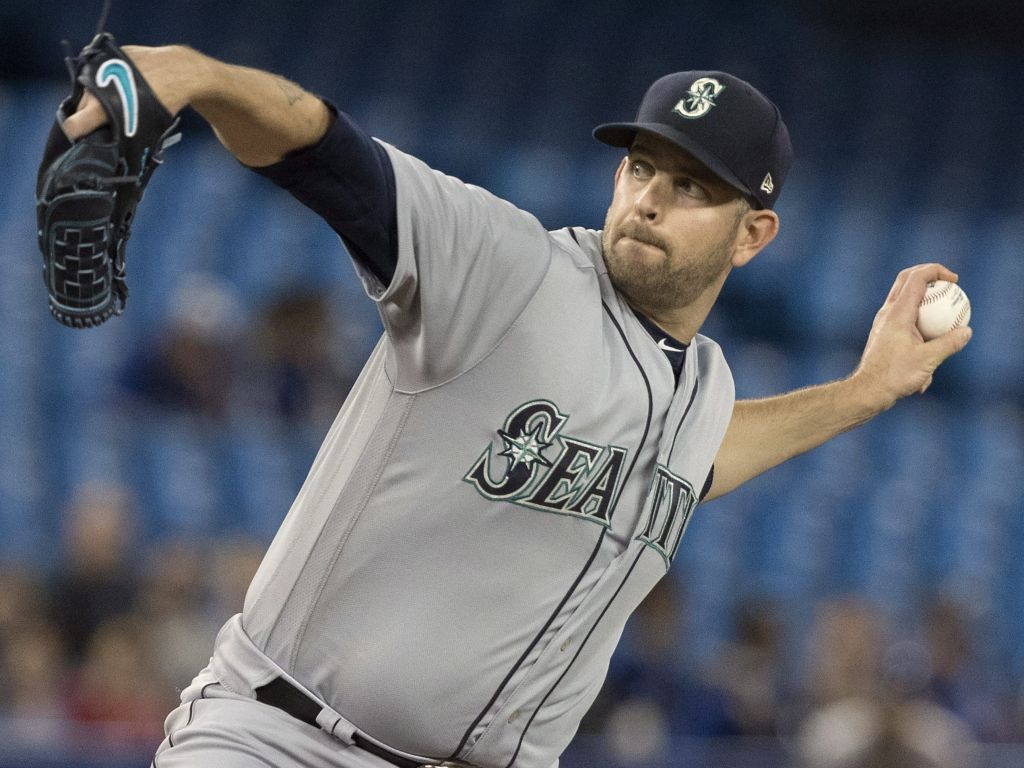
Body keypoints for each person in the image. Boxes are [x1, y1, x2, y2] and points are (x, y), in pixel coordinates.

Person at [63, 43, 971, 768]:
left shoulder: (703, 390)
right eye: (642, 169)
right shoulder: (507, 269)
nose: (650, 199)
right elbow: (329, 158)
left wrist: (863, 394)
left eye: (692, 186)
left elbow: (704, 459)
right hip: (286, 740)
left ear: (754, 234)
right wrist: (201, 76)